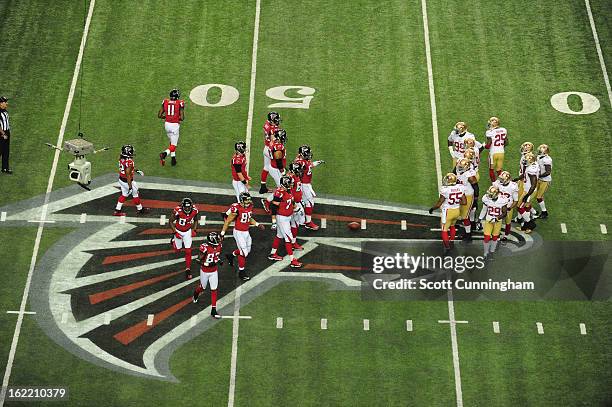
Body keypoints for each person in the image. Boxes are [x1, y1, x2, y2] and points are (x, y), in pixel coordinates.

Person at [222, 192, 265, 281]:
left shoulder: (250, 206)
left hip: (246, 232)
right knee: (244, 253)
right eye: (247, 200)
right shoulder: (236, 209)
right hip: (238, 233)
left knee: (247, 251)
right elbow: (228, 221)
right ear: (242, 200)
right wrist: (222, 233)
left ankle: (231, 255)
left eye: (249, 199)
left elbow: (248, 218)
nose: (249, 201)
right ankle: (241, 272)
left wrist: (257, 224)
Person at [268, 175, 303, 268]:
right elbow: (274, 207)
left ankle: (272, 254)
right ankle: (292, 260)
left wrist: (297, 209)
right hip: (282, 218)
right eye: (290, 183)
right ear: (285, 183)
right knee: (289, 238)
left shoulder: (288, 190)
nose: (292, 185)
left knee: (279, 235)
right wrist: (274, 221)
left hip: (287, 217)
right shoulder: (279, 193)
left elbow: (291, 202)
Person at [429, 173, 466, 250]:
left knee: (444, 230)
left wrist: (432, 209)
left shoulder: (445, 190)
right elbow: (464, 202)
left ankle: (447, 247)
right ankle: (451, 241)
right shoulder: (460, 188)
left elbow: (439, 203)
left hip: (448, 212)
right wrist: (455, 202)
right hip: (456, 211)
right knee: (452, 226)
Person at [193, 232, 224, 319]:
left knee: (214, 289)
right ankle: (196, 293)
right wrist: (207, 264)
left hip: (214, 271)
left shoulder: (219, 246)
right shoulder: (205, 248)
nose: (219, 240)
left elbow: (215, 256)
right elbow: (198, 260)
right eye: (217, 239)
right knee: (203, 287)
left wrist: (218, 260)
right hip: (205, 271)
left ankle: (213, 310)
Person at [294, 145, 325, 230]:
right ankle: (308, 222)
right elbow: (297, 173)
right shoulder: (300, 162)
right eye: (307, 153)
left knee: (306, 202)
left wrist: (317, 162)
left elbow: (309, 166)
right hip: (304, 185)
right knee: (309, 203)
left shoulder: (304, 160)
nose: (309, 155)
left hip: (306, 184)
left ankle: (303, 218)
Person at [113, 145, 149, 216]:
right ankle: (140, 209)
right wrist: (130, 186)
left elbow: (127, 168)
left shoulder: (121, 158)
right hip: (127, 181)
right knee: (135, 194)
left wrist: (136, 170)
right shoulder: (129, 161)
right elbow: (128, 174)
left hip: (121, 179)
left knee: (124, 195)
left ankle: (117, 210)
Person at [170, 198, 199, 280]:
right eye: (185, 207)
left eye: (189, 207)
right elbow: (171, 221)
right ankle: (173, 240)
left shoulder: (194, 210)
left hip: (187, 232)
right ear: (182, 207)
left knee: (188, 251)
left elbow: (196, 220)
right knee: (177, 250)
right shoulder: (178, 211)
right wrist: (175, 232)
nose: (187, 209)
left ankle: (188, 269)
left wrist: (195, 229)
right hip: (178, 231)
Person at [479, 186, 508, 260]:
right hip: (488, 220)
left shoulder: (502, 200)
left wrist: (497, 218)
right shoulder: (486, 198)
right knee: (486, 237)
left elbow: (505, 213)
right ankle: (485, 253)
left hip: (497, 221)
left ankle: (491, 252)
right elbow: (484, 209)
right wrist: (480, 219)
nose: (489, 196)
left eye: (491, 194)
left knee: (495, 237)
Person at [158, 88, 185, 166]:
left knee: (172, 141)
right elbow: (182, 118)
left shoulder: (165, 101)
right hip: (174, 125)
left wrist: (167, 117)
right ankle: (164, 154)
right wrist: (176, 118)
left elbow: (159, 115)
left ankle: (173, 158)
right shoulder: (180, 103)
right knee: (174, 145)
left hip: (167, 125)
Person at [260, 112, 281, 193]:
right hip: (271, 149)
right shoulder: (273, 128)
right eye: (276, 120)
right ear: (272, 121)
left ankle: (263, 187)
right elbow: (273, 139)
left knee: (266, 167)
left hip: (266, 147)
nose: (277, 121)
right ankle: (280, 188)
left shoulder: (267, 123)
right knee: (278, 168)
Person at [485, 116, 508, 181]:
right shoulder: (504, 130)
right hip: (501, 152)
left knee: (491, 169)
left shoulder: (489, 132)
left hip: (493, 152)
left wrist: (484, 146)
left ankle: (494, 183)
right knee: (499, 169)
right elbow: (506, 142)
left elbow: (488, 145)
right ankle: (503, 181)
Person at [535, 144, 553, 219]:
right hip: (539, 179)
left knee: (539, 197)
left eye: (544, 147)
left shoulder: (547, 159)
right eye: (541, 147)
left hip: (545, 180)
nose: (541, 148)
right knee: (534, 194)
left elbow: (548, 172)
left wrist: (537, 176)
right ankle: (532, 210)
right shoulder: (539, 156)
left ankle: (544, 212)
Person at [0, 96, 12, 174]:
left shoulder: (5, 111)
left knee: (6, 152)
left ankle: (5, 168)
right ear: (1, 103)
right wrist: (3, 134)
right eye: (5, 102)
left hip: (7, 132)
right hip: (2, 134)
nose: (7, 103)